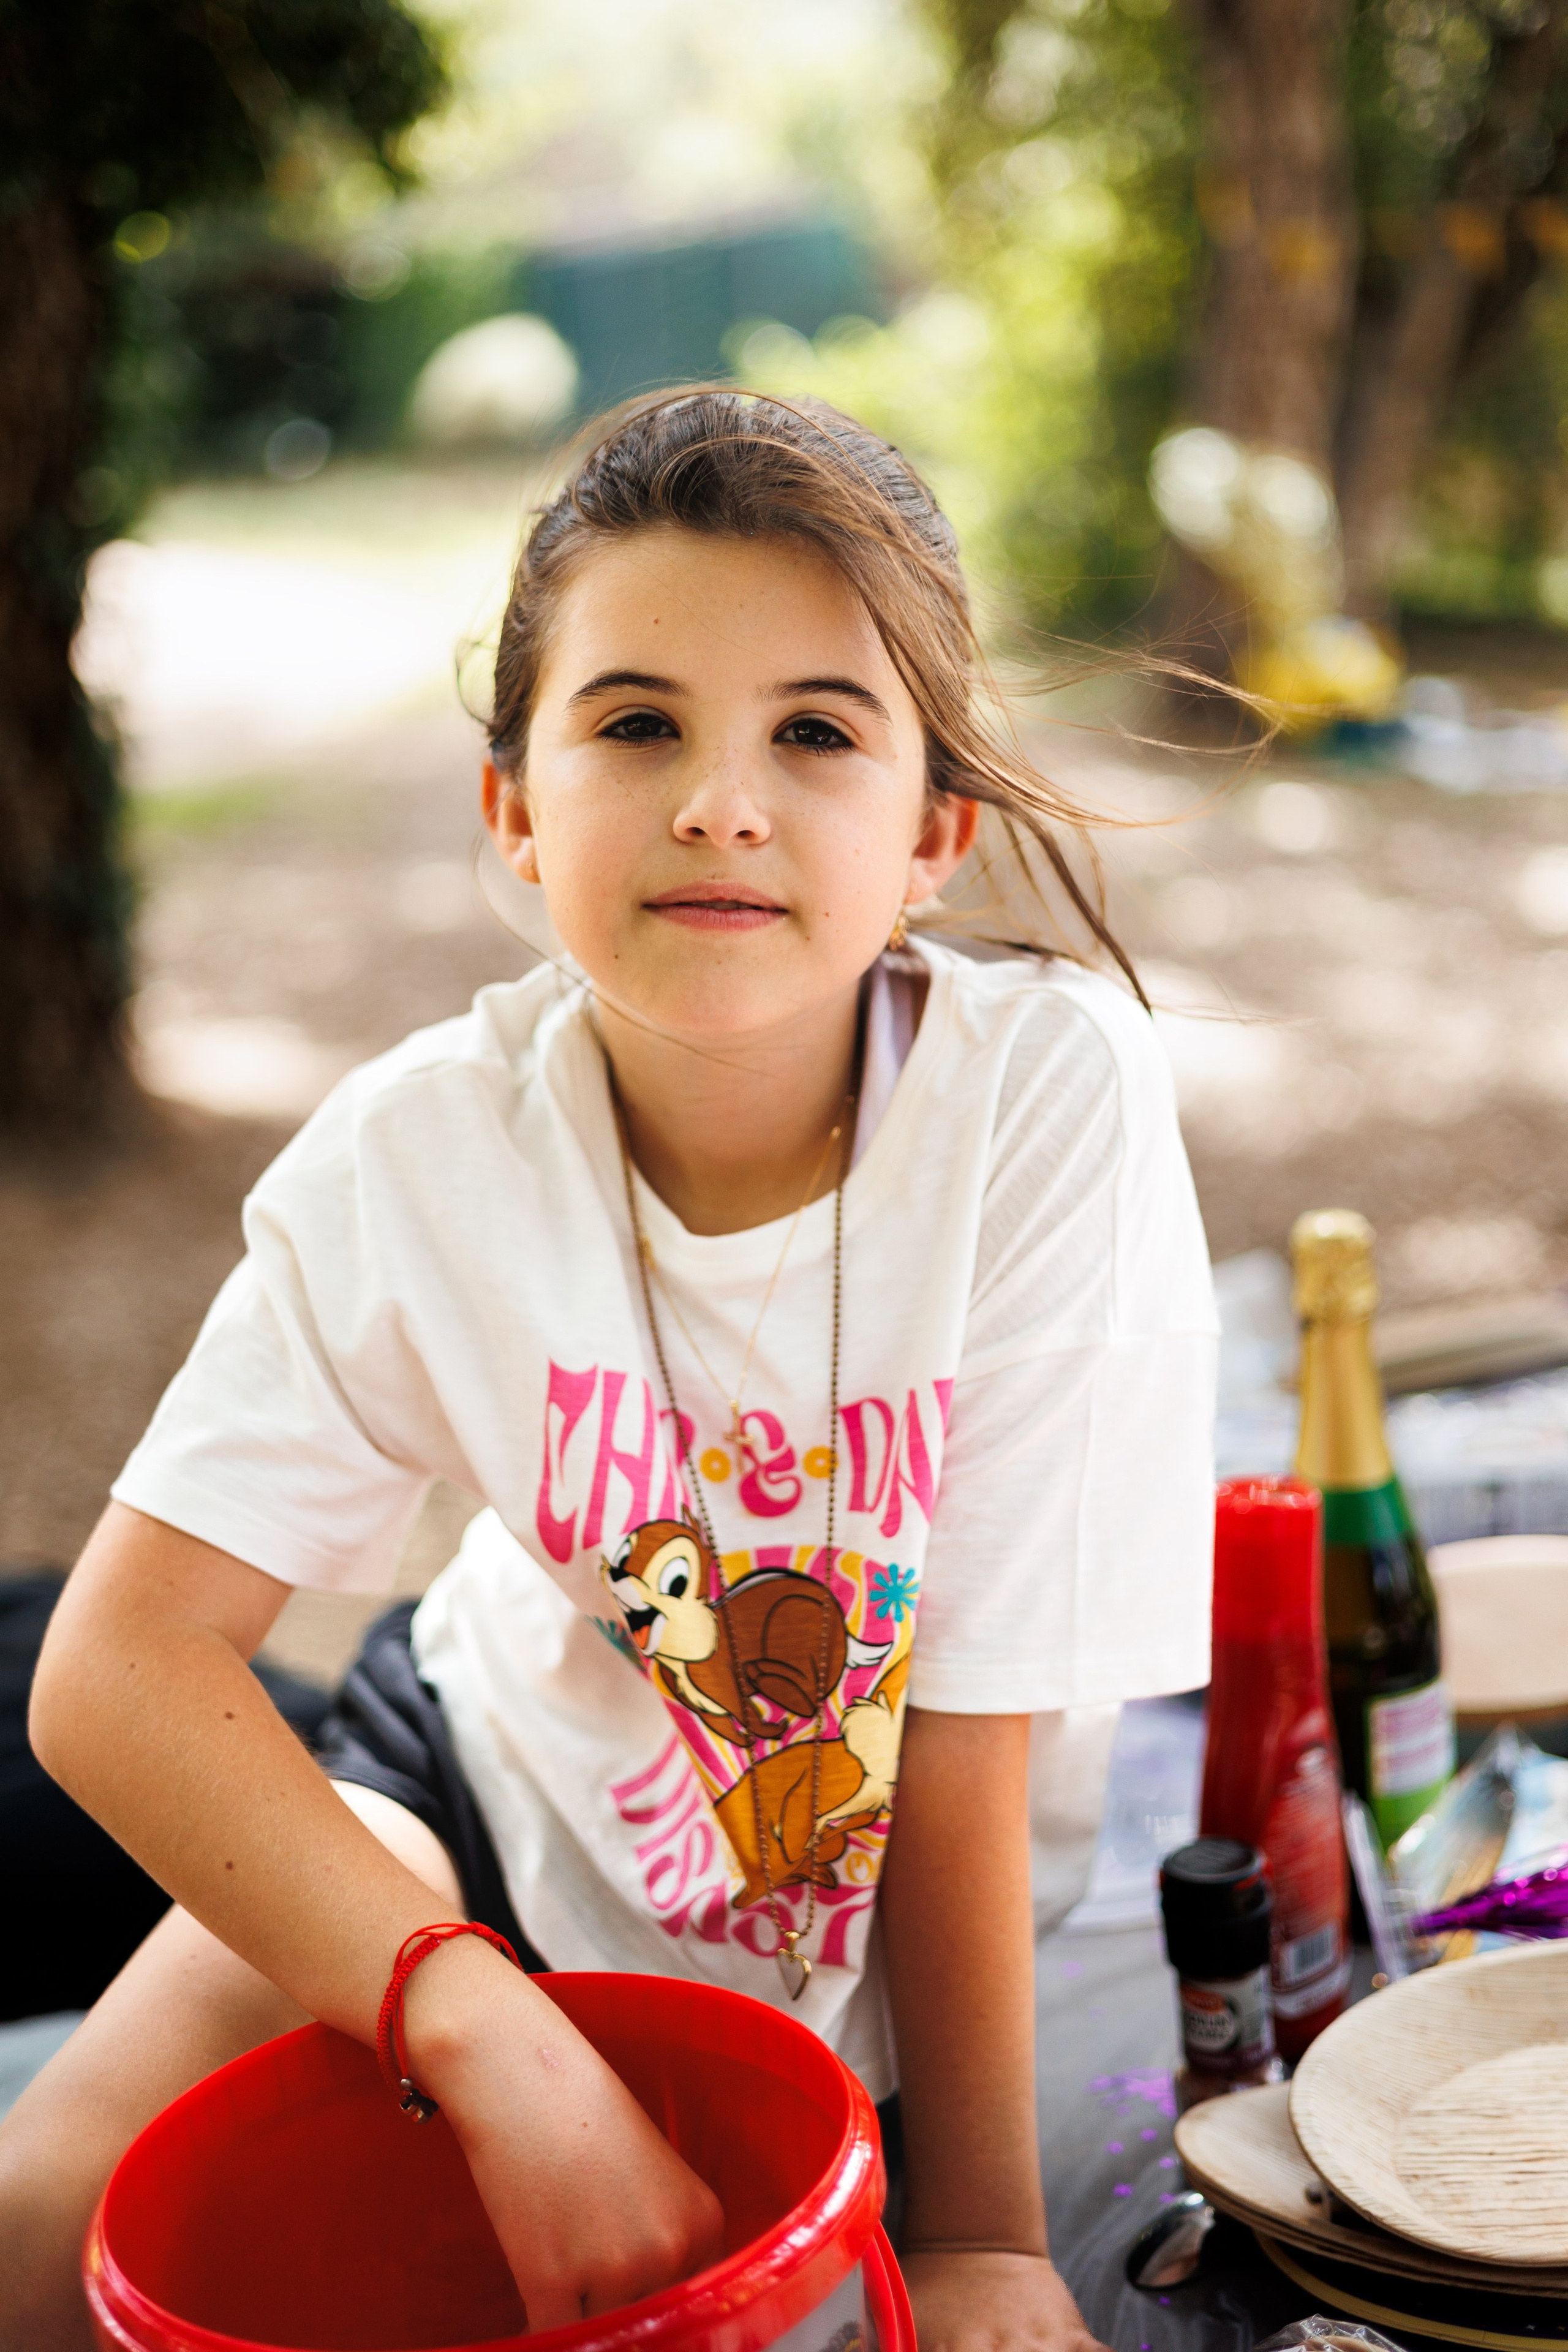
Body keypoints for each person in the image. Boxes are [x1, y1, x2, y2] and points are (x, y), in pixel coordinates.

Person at [0, 390, 1216, 2352]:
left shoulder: (1044, 1105)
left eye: (814, 731)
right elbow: (116, 1672)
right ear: (512, 808)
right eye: (636, 721)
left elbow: (965, 1739)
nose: (721, 801)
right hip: (475, 1800)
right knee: (46, 2224)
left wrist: (988, 2237)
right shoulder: (420, 1154)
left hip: (896, 1896)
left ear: (932, 836)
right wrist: (483, 2020)